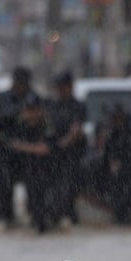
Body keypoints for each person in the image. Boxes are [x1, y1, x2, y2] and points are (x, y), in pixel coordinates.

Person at [0, 66, 34, 224]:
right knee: (4, 192)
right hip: (3, 154)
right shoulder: (0, 100)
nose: (20, 87)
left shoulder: (34, 99)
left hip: (29, 154)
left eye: (23, 83)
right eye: (18, 83)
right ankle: (5, 217)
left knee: (34, 192)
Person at [5, 92, 55, 233]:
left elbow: (44, 149)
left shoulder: (48, 125)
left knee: (43, 204)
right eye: (28, 109)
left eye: (34, 109)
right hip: (27, 170)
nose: (31, 113)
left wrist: (22, 146)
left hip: (49, 171)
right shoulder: (21, 126)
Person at [46, 71, 87, 225]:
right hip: (52, 156)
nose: (60, 91)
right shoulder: (52, 105)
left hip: (72, 155)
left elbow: (76, 131)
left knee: (67, 188)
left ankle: (67, 215)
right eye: (58, 87)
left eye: (63, 87)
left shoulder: (78, 106)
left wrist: (62, 144)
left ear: (70, 87)